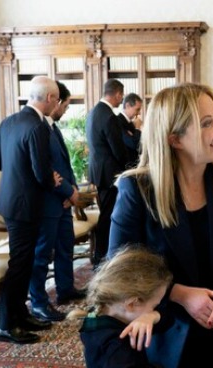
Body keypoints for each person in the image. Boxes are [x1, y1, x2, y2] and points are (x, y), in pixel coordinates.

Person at [108, 83, 213, 368]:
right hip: (165, 337)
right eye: (206, 123)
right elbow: (119, 273)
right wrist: (180, 294)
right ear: (174, 139)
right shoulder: (137, 190)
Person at [0, 76, 61, 344]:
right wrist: (53, 181)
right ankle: (7, 324)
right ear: (48, 99)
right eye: (56, 100)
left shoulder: (8, 121)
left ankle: (20, 315)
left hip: (9, 202)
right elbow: (40, 171)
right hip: (26, 205)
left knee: (21, 262)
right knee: (20, 264)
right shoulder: (38, 126)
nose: (56, 105)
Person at [69, 246, 178, 368]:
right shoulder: (117, 340)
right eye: (154, 306)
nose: (155, 309)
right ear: (132, 304)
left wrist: (152, 316)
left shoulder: (99, 312)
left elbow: (169, 320)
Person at [29, 81, 85, 323]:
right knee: (42, 254)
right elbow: (46, 169)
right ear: (56, 101)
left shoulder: (53, 128)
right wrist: (66, 192)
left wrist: (72, 190)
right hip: (50, 201)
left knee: (66, 247)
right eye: (67, 105)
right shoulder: (38, 128)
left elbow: (65, 165)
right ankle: (39, 303)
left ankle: (65, 289)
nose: (66, 110)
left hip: (63, 200)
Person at [87, 78, 128, 267]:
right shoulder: (109, 116)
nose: (121, 100)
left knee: (106, 213)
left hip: (99, 172)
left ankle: (100, 256)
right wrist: (130, 166)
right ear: (118, 94)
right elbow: (117, 149)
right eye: (121, 96)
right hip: (111, 174)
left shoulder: (94, 112)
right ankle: (102, 258)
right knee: (108, 216)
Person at [117, 92, 143, 168]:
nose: (139, 113)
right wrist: (137, 128)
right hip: (126, 167)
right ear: (127, 106)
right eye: (137, 109)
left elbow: (140, 145)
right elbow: (133, 143)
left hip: (134, 165)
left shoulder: (131, 123)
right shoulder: (118, 122)